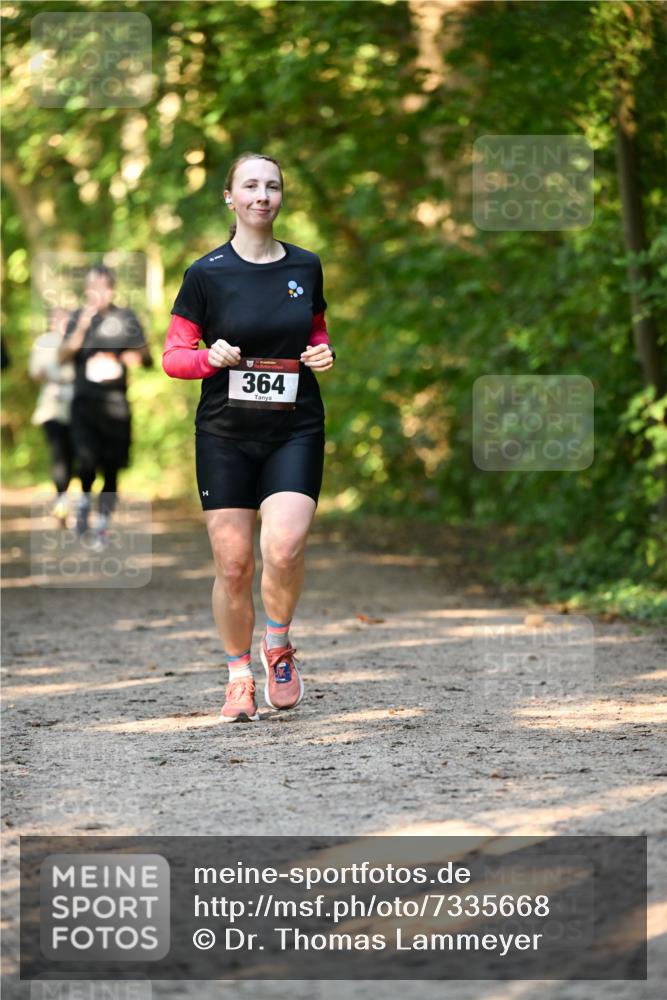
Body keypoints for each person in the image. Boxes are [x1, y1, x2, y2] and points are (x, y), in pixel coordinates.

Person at [163, 152, 336, 723]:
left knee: (284, 547)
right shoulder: (205, 274)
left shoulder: (306, 266)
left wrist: (322, 352)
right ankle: (239, 675)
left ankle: (279, 646)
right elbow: (173, 357)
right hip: (225, 435)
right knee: (234, 564)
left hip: (294, 428)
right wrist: (207, 359)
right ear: (230, 198)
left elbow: (314, 331)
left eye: (273, 186)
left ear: (281, 197)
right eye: (251, 186)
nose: (263, 195)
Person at [58, 263, 152, 545]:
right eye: (93, 287)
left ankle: (102, 524)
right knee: (86, 460)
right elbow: (61, 357)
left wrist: (121, 359)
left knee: (111, 466)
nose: (98, 292)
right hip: (84, 402)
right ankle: (84, 502)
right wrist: (82, 327)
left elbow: (146, 357)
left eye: (104, 287)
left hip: (115, 403)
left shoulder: (126, 317)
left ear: (112, 289)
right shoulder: (77, 317)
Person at [28, 306, 75, 526]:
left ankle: (69, 499)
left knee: (75, 457)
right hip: (52, 407)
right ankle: (61, 501)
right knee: (59, 456)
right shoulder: (44, 342)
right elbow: (36, 373)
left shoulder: (79, 340)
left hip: (77, 407)